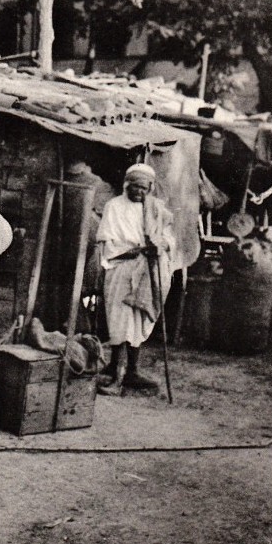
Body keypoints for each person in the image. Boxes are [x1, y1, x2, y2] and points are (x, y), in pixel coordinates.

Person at [95, 163, 175, 396]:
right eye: (134, 187)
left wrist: (158, 246)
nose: (139, 192)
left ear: (150, 188)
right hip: (121, 269)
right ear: (126, 185)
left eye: (143, 188)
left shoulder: (157, 209)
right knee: (120, 320)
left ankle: (131, 371)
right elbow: (105, 240)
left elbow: (170, 239)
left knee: (138, 320)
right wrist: (129, 251)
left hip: (148, 272)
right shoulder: (114, 207)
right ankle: (116, 370)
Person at [61, 157, 116, 332]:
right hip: (79, 242)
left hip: (81, 243)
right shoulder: (97, 185)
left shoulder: (97, 185)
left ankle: (80, 325)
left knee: (78, 285)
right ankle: (77, 325)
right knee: (76, 286)